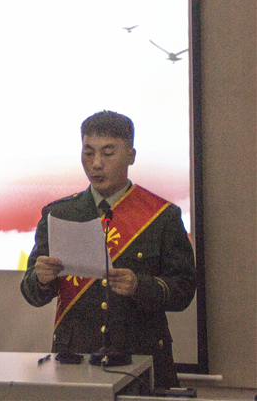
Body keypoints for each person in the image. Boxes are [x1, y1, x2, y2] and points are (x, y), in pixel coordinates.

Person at [20, 110, 196, 389]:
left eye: (108, 153)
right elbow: (32, 293)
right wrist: (40, 278)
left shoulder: (161, 216)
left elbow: (184, 290)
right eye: (88, 153)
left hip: (140, 358)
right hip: (74, 360)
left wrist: (140, 286)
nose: (96, 164)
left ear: (131, 155)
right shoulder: (59, 214)